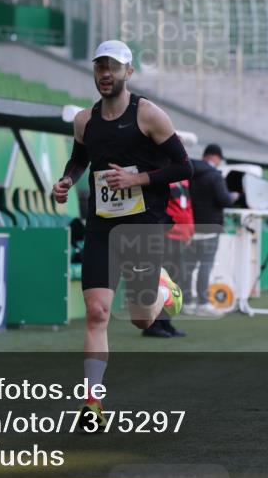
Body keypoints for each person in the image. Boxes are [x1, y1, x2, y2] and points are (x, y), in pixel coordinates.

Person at [52, 40, 192, 429]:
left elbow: (184, 168)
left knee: (142, 320)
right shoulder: (84, 120)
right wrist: (66, 180)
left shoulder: (149, 115)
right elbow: (80, 158)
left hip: (143, 221)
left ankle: (164, 290)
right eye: (100, 67)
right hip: (102, 223)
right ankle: (93, 402)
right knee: (97, 313)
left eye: (113, 66)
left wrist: (137, 179)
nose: (105, 73)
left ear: (129, 72)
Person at [185, 143, 239, 315]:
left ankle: (186, 302)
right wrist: (233, 196)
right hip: (210, 227)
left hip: (191, 226)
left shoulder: (190, 172)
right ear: (216, 158)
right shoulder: (215, 176)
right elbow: (224, 200)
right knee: (205, 266)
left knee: (188, 266)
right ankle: (202, 302)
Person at [141, 178, 193, 338]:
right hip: (165, 236)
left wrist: (189, 232)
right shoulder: (162, 180)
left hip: (179, 238)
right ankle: (152, 324)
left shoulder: (184, 181)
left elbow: (187, 209)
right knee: (160, 282)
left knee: (174, 282)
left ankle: (165, 321)